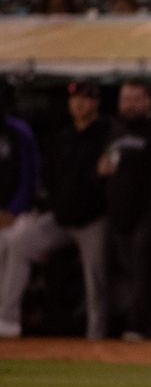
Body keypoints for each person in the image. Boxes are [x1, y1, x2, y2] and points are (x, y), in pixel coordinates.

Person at [0, 81, 113, 339]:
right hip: (61, 218)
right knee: (19, 243)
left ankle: (97, 338)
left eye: (85, 98)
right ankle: (7, 320)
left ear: (96, 102)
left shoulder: (107, 133)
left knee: (95, 280)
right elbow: (47, 177)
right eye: (75, 99)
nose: (79, 103)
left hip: (93, 220)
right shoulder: (63, 137)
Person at [98, 79, 151, 339]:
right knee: (134, 275)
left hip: (148, 214)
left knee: (145, 274)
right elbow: (106, 165)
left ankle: (138, 326)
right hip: (119, 215)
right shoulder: (116, 131)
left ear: (148, 100)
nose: (129, 105)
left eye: (135, 99)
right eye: (125, 99)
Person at [0, 83, 41, 339]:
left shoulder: (18, 131)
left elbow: (30, 176)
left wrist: (14, 209)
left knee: (14, 244)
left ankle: (8, 318)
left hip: (18, 214)